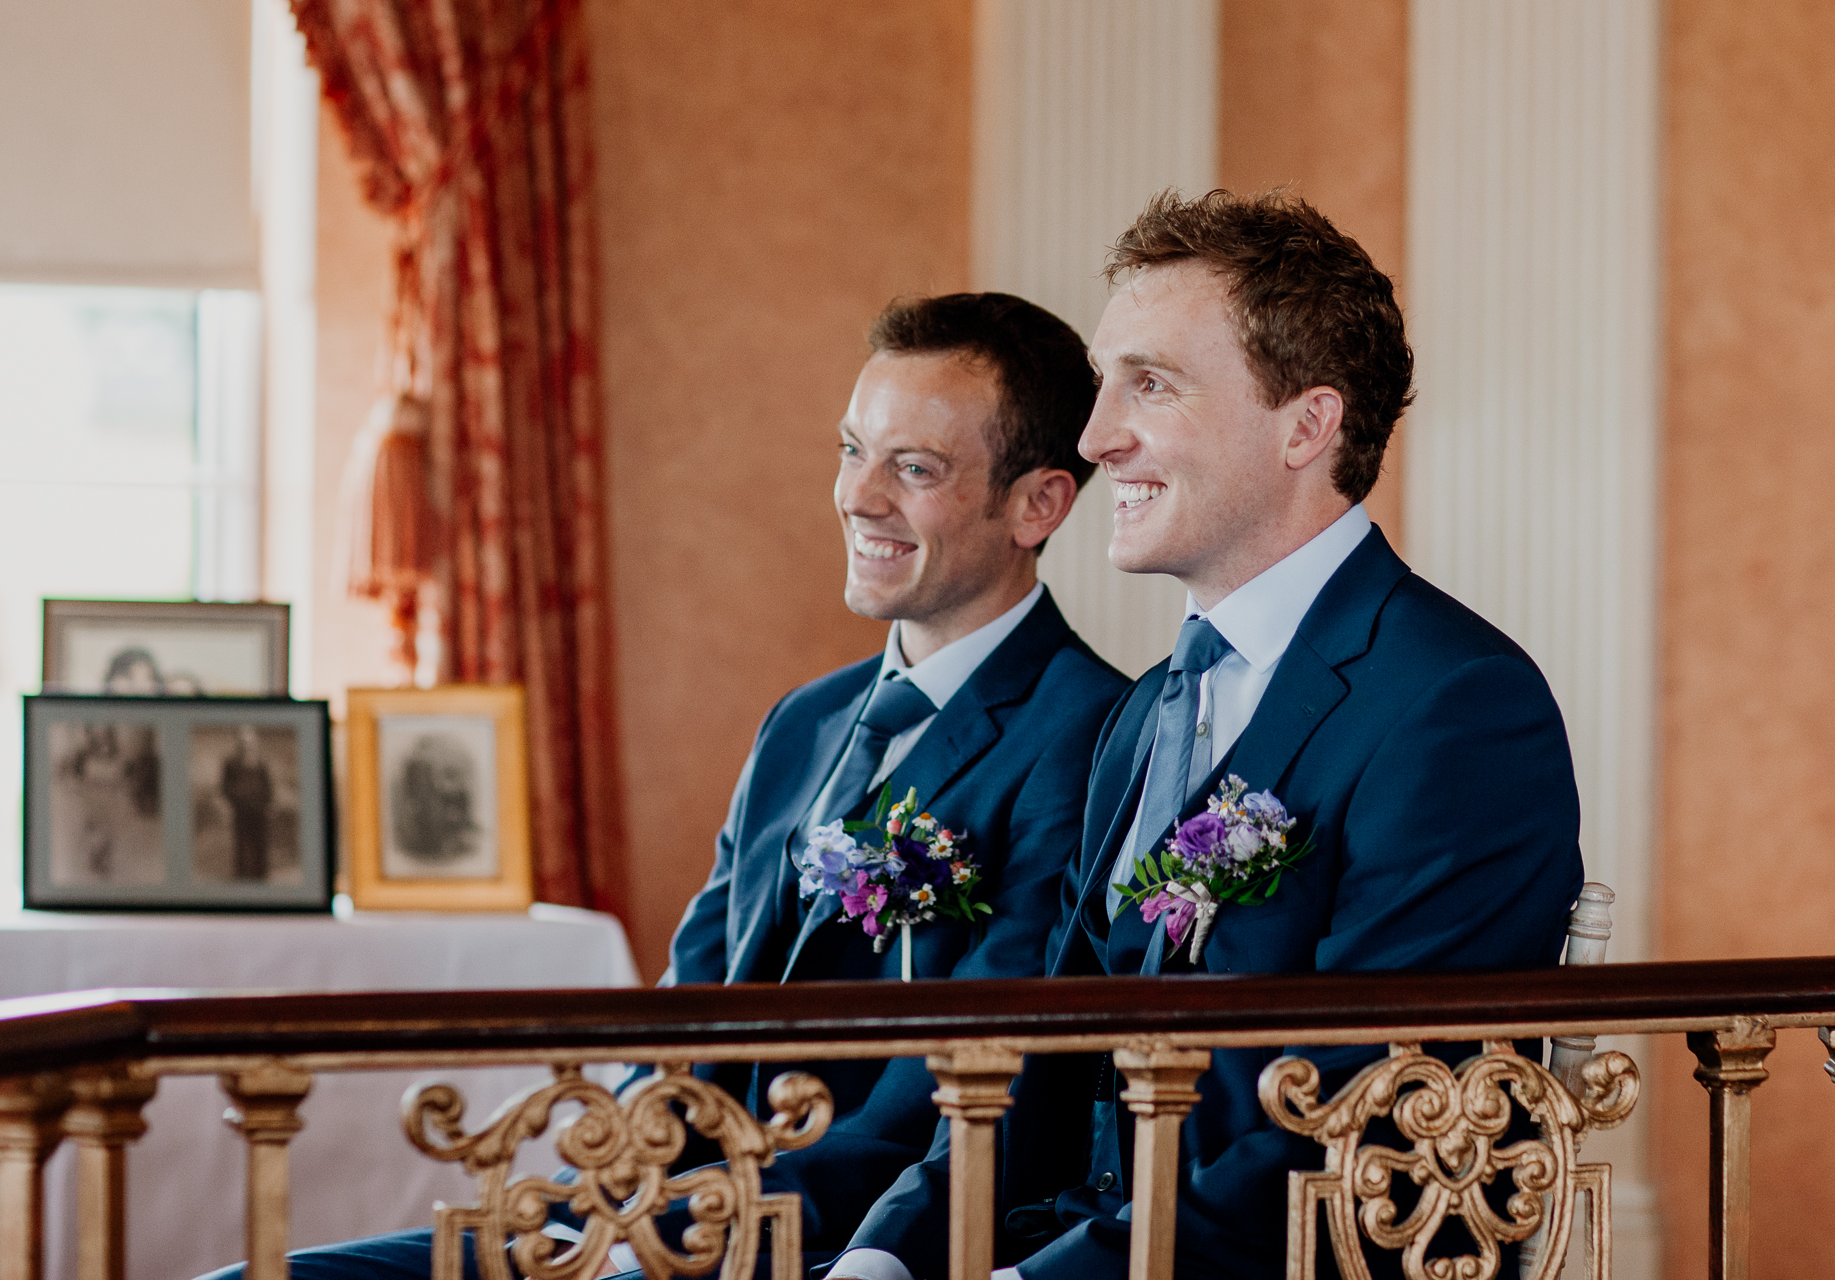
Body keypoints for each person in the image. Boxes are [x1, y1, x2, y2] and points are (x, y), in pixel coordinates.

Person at [201, 292, 1129, 1280]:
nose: (857, 494)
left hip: (826, 1239)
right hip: (642, 1216)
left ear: (1038, 503)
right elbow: (692, 995)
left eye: (915, 468)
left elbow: (995, 1073)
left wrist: (711, 1231)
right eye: (853, 448)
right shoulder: (804, 722)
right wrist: (602, 1209)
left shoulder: (1088, 732)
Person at [834, 191, 1585, 1280]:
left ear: (1306, 425)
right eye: (1104, 382)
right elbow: (1050, 1053)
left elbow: (1365, 1132)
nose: (1096, 437)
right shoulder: (1144, 710)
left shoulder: (1458, 706)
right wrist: (887, 1254)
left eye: (1151, 384)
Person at [222, 727, 274, 881]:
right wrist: (235, 799)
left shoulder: (261, 764)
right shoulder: (231, 764)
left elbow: (268, 787)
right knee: (242, 846)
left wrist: (268, 804)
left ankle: (261, 876)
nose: (247, 745)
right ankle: (242, 878)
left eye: (250, 742)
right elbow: (225, 787)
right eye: (244, 742)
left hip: (259, 811)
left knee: (260, 845)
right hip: (241, 811)